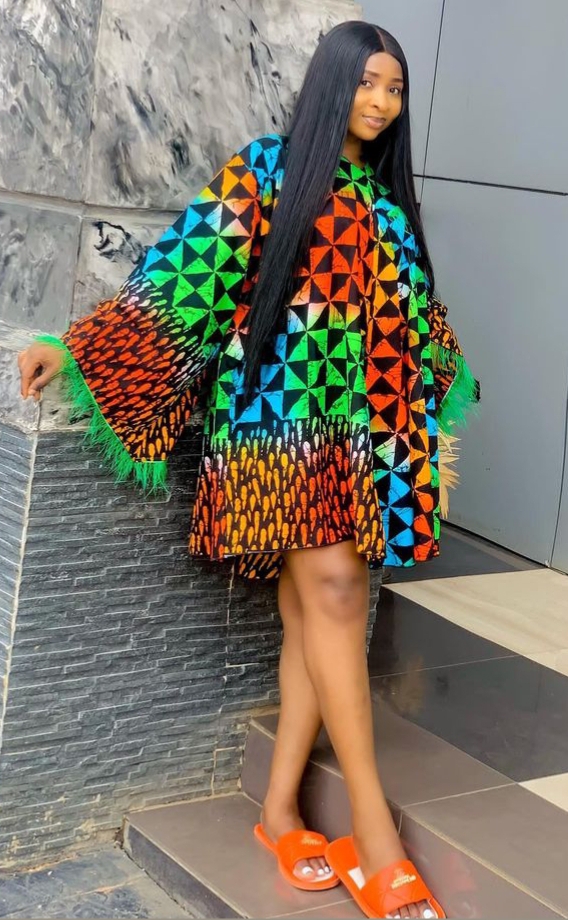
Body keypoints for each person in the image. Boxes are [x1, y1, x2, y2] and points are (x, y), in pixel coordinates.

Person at [18, 20, 478, 920]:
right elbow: (184, 276)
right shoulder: (268, 171)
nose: (382, 102)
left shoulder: (389, 207)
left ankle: (278, 813)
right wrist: (74, 348)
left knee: (315, 613)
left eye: (395, 88)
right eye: (368, 83)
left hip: (360, 443)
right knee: (338, 594)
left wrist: (438, 387)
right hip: (277, 434)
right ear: (332, 84)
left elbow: (417, 326)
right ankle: (374, 835)